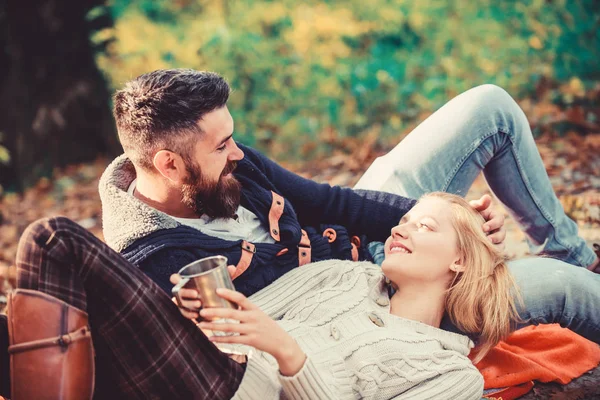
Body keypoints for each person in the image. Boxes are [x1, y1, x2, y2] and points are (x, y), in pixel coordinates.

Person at [100, 68, 600, 343]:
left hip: (382, 247)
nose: (238, 152)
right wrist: (435, 252)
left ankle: (572, 250)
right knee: (567, 291)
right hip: (388, 304)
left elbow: (330, 201)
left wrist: (444, 217)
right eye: (222, 146)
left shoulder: (225, 162)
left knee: (489, 108)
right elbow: (292, 341)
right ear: (168, 164)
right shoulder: (164, 265)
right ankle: (578, 277)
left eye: (233, 138)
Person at [13, 192, 518, 399]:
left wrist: (289, 355)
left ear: (460, 260)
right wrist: (199, 314)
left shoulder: (452, 376)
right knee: (48, 248)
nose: (403, 229)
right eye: (404, 220)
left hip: (235, 389)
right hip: (197, 368)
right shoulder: (341, 275)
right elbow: (240, 321)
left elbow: (271, 341)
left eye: (423, 225)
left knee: (54, 240)